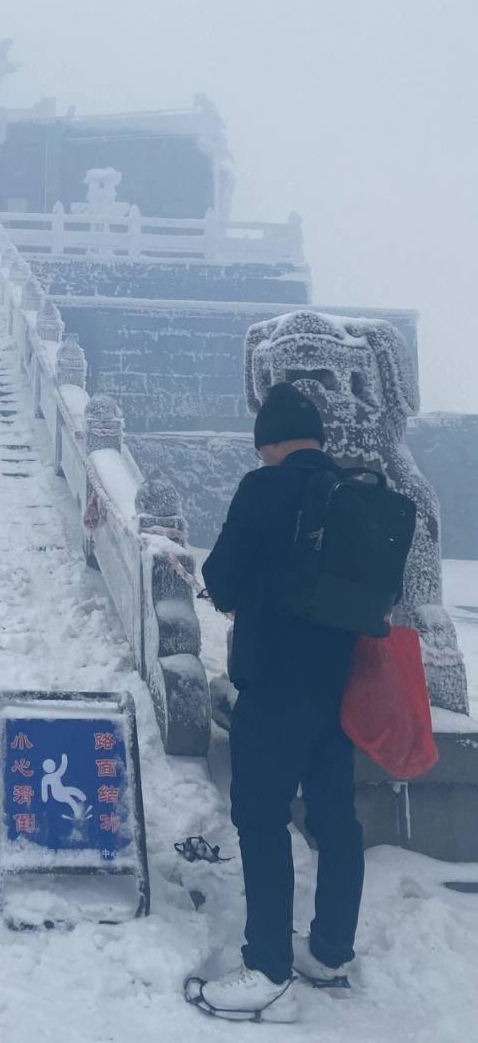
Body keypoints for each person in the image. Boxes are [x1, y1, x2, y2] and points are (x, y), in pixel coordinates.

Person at [185, 382, 363, 1025]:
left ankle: (266, 968)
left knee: (260, 817)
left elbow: (222, 578)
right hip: (339, 688)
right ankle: (330, 951)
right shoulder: (355, 495)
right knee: (335, 818)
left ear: (272, 444)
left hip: (272, 684)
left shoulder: (264, 488)